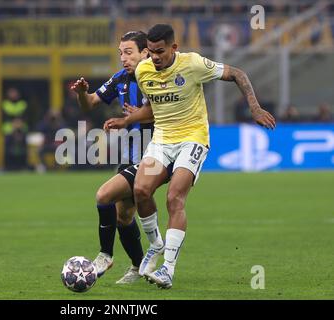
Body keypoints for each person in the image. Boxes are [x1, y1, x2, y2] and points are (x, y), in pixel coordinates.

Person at [104, 24, 276, 289]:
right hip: (162, 140)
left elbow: (237, 73)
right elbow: (152, 106)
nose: (155, 57)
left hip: (193, 138)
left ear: (174, 48)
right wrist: (126, 120)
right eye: (151, 52)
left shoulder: (193, 64)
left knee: (174, 196)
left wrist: (254, 107)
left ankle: (168, 269)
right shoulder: (144, 70)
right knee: (140, 190)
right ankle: (156, 244)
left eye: (160, 51)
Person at [70, 31, 168, 284]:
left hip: (154, 154)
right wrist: (82, 92)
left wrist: (136, 116)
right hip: (129, 155)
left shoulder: (159, 77)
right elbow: (90, 103)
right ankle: (138, 267)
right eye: (120, 53)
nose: (123, 58)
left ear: (145, 52)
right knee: (123, 216)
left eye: (129, 52)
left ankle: (105, 255)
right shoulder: (120, 79)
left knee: (104, 195)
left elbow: (170, 111)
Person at [2, 88, 28, 170]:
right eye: (11, 93)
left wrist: (19, 124)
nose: (13, 95)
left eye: (14, 93)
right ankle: (8, 166)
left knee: (23, 149)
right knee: (8, 149)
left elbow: (26, 116)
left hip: (22, 129)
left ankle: (23, 165)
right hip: (9, 130)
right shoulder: (5, 104)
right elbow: (4, 117)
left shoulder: (22, 104)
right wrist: (13, 125)